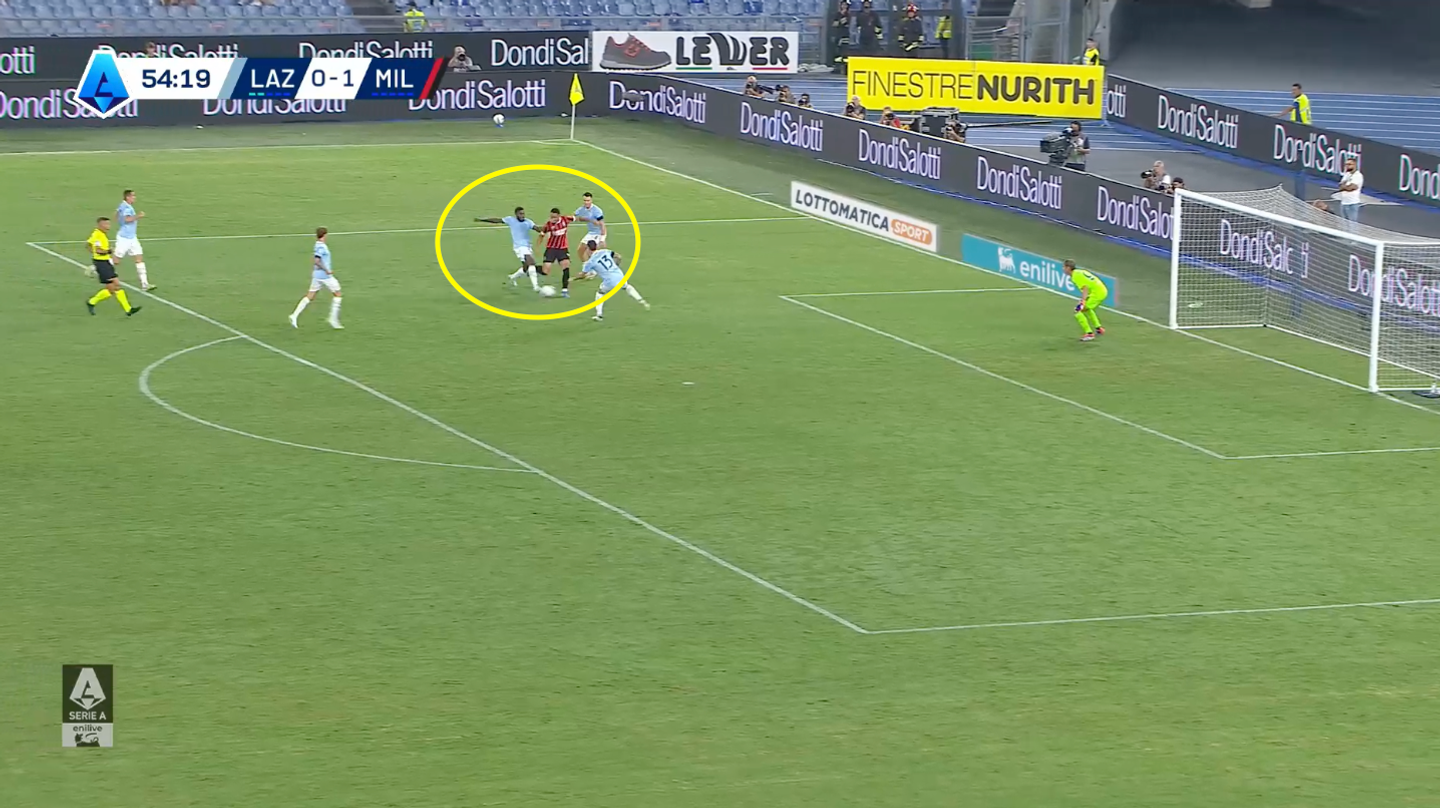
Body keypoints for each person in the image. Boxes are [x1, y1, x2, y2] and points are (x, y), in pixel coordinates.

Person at [476, 207, 544, 292]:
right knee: (531, 263)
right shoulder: (511, 220)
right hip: (519, 247)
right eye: (520, 214)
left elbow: (537, 228)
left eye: (523, 214)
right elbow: (497, 220)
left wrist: (547, 228)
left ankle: (512, 277)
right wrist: (482, 220)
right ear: (516, 214)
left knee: (526, 267)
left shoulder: (528, 222)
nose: (522, 215)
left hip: (527, 247)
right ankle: (536, 287)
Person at [85, 216, 140, 317]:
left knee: (111, 288)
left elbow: (89, 246)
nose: (108, 226)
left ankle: (91, 302)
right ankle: (128, 309)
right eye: (105, 224)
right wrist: (107, 251)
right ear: (100, 225)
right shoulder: (97, 234)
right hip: (101, 263)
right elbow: (95, 249)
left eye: (109, 224)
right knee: (116, 285)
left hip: (105, 262)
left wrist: (104, 253)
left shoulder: (101, 234)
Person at [582, 240, 648, 322]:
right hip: (619, 275)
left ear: (588, 249)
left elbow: (583, 274)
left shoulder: (590, 262)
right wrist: (616, 265)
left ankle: (599, 315)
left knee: (600, 293)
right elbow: (618, 256)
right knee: (627, 287)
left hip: (609, 281)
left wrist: (573, 278)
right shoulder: (604, 251)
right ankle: (641, 300)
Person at [289, 227, 342, 329]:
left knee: (310, 296)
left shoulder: (317, 245)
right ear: (325, 235)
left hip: (317, 276)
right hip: (325, 276)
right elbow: (317, 261)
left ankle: (294, 315)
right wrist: (326, 270)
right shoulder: (321, 247)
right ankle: (333, 319)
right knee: (338, 294)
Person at [113, 189, 153, 292]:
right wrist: (138, 216)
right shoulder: (126, 207)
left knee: (139, 258)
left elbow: (116, 215)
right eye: (133, 196)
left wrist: (119, 221)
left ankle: (145, 284)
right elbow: (127, 219)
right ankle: (95, 268)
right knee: (116, 260)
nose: (134, 198)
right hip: (124, 238)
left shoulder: (123, 205)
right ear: (128, 197)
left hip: (132, 238)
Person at [1064, 259, 1107, 341]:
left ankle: (1089, 334)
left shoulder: (1075, 276)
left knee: (1077, 311)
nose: (1063, 269)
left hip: (1096, 293)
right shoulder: (1080, 272)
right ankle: (1099, 328)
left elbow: (1085, 288)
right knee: (1086, 309)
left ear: (1068, 268)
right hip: (1100, 290)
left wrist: (1083, 301)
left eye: (1064, 267)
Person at [540, 207, 577, 298]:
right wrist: (537, 247)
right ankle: (530, 269)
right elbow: (541, 235)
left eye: (554, 217)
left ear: (559, 216)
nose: (552, 219)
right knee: (545, 271)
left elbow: (576, 218)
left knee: (566, 267)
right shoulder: (548, 225)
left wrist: (590, 219)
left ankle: (565, 290)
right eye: (551, 217)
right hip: (551, 248)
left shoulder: (565, 219)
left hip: (562, 248)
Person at [1337, 157, 1364, 227]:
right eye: (1346, 164)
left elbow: (1351, 188)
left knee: (1352, 225)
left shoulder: (1358, 176)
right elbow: (1340, 186)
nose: (1347, 166)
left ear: (1355, 165)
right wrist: (1345, 187)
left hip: (1352, 203)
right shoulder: (1347, 174)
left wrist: (1345, 186)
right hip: (1344, 203)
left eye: (1349, 164)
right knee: (1344, 224)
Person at [830, 0, 852, 69]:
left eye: (845, 5)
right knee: (837, 52)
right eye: (843, 5)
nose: (844, 6)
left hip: (845, 35)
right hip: (838, 34)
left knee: (845, 51)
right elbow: (834, 24)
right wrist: (839, 21)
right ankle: (837, 67)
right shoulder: (837, 14)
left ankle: (845, 67)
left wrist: (839, 21)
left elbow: (844, 22)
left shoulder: (848, 15)